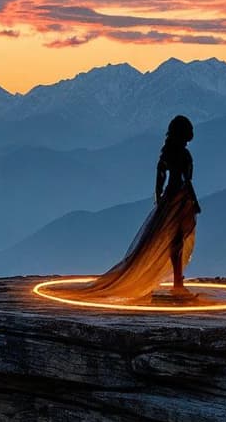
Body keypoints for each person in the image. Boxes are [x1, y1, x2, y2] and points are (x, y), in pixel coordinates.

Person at [81, 114, 201, 301]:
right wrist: (170, 197)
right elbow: (176, 177)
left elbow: (163, 175)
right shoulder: (180, 153)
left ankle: (178, 281)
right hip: (178, 200)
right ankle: (177, 282)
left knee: (175, 240)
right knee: (175, 240)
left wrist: (162, 195)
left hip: (175, 199)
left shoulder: (171, 151)